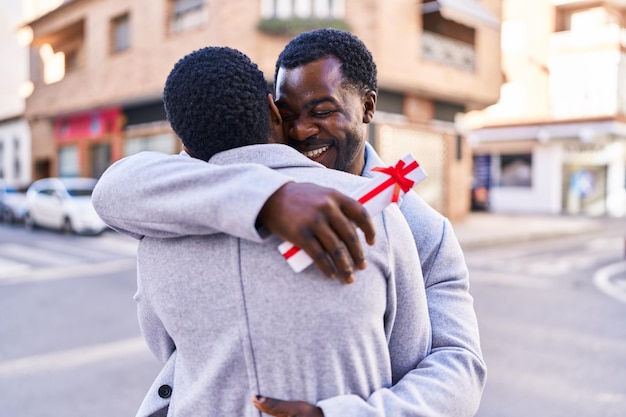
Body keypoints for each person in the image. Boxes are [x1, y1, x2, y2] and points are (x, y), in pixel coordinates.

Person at [94, 29, 486, 416]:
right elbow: (116, 188)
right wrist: (267, 198)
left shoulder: (417, 228)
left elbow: (456, 368)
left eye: (322, 111)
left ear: (368, 107)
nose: (300, 130)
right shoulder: (207, 193)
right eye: (288, 114)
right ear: (271, 112)